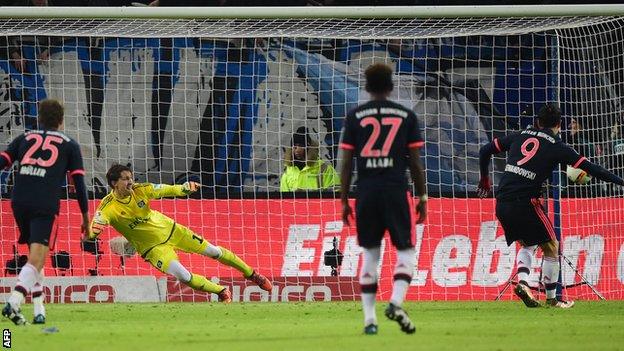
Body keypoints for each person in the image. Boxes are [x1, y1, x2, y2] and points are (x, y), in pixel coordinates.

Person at [478, 104, 624, 309]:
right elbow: (594, 169)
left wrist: (485, 179)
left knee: (527, 244)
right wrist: (621, 182)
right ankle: (552, 299)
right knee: (551, 247)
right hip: (526, 201)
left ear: (537, 122)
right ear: (559, 124)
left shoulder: (519, 135)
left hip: (502, 201)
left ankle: (523, 283)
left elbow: (485, 150)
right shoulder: (557, 146)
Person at [89, 164, 272, 302]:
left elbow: (167, 189)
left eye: (131, 177)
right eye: (125, 179)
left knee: (213, 252)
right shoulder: (108, 207)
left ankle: (252, 274)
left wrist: (184, 188)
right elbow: (96, 223)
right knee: (184, 276)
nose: (131, 181)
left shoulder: (141, 190)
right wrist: (94, 232)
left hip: (173, 230)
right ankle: (221, 291)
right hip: (154, 249)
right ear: (114, 183)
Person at [339, 63, 427, 335]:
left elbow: (346, 162)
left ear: (366, 86)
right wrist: (422, 196)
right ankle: (396, 303)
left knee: (370, 255)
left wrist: (344, 200)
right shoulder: (406, 116)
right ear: (390, 86)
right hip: (395, 190)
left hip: (366, 191)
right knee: (406, 252)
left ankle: (369, 320)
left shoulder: (355, 116)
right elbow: (414, 163)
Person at [0, 99, 91, 325]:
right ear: (61, 120)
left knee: (36, 256)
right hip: (44, 203)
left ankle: (39, 310)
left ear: (40, 118)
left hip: (18, 200)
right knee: (38, 257)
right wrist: (86, 216)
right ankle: (14, 301)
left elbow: (3, 161)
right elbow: (78, 183)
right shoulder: (69, 144)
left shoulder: (25, 138)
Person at [280, 126, 340, 192]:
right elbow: (283, 197)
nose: (297, 149)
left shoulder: (324, 169)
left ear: (308, 147)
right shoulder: (288, 171)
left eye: (301, 145)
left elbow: (336, 193)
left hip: (318, 202)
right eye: (294, 146)